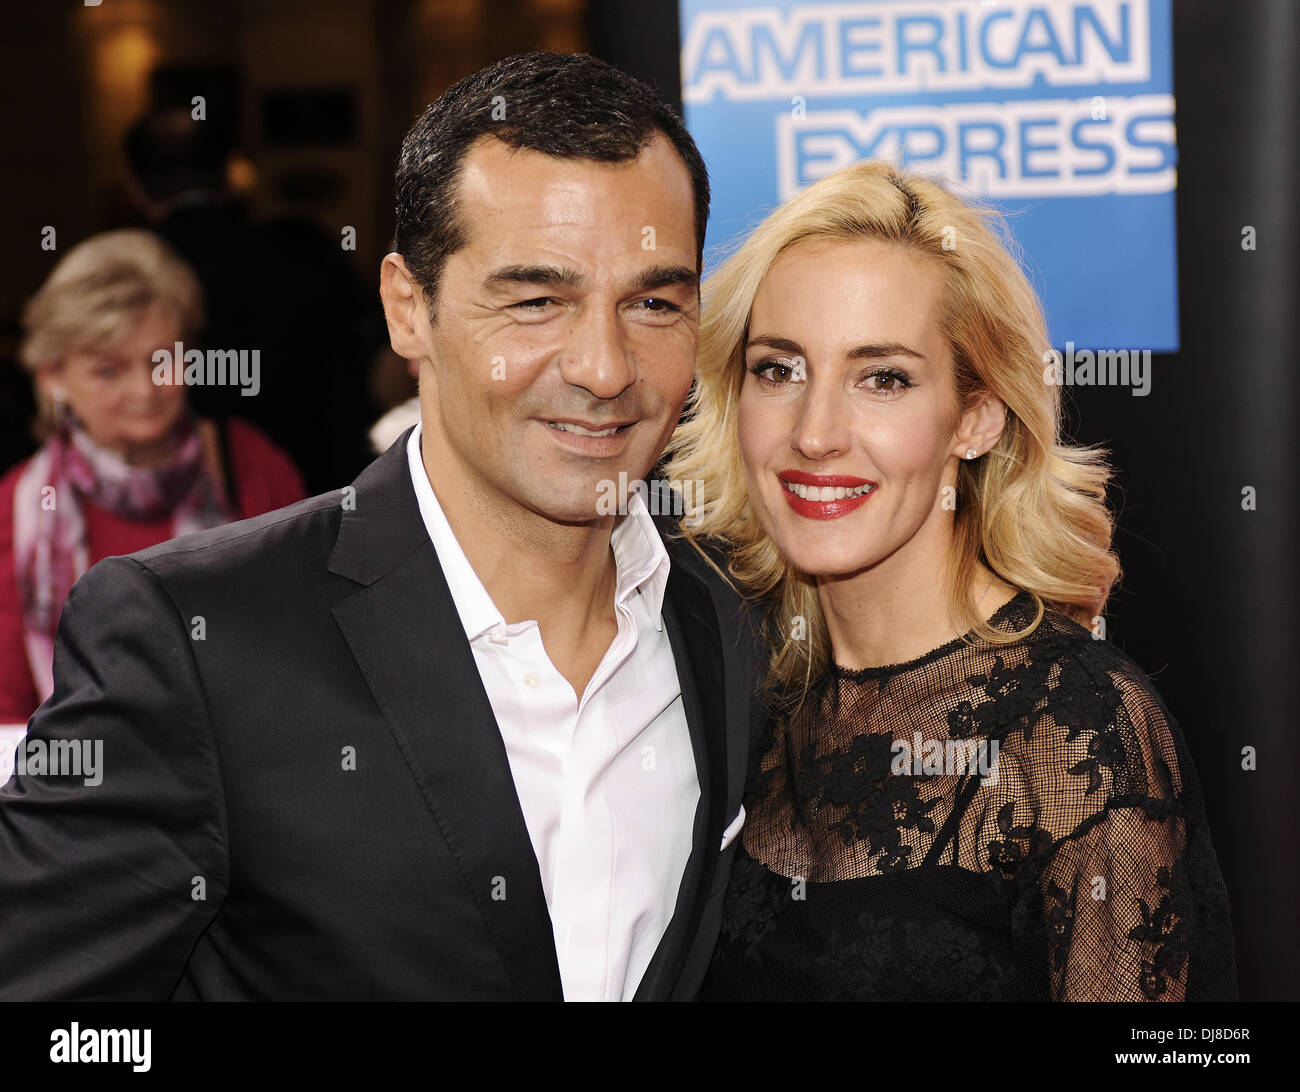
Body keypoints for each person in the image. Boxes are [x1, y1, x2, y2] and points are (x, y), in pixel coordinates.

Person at [0, 52, 758, 1001]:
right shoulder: (193, 640)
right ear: (409, 309)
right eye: (535, 300)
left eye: (653, 302)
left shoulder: (736, 618)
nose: (605, 367)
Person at [667, 160, 1237, 1001]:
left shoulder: (1077, 734)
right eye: (779, 369)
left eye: (883, 378)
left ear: (976, 417)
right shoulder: (745, 685)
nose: (815, 433)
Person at [0, 230, 305, 723]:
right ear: (53, 377)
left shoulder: (249, 464)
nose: (145, 390)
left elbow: (304, 641)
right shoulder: (17, 508)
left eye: (163, 360)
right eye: (108, 370)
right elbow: (8, 710)